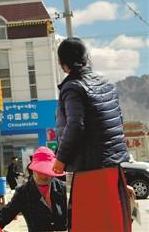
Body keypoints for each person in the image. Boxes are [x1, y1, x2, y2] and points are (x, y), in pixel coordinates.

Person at [52, 37, 131, 232]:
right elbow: (118, 122)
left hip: (90, 171)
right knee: (114, 224)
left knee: (91, 225)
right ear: (86, 57)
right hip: (113, 169)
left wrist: (61, 159)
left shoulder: (73, 87)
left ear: (64, 65)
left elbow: (75, 125)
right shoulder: (107, 84)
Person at [0, 147, 67, 232]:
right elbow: (4, 216)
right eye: (40, 171)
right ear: (33, 170)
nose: (44, 176)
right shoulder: (23, 192)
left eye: (47, 171)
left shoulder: (63, 188)